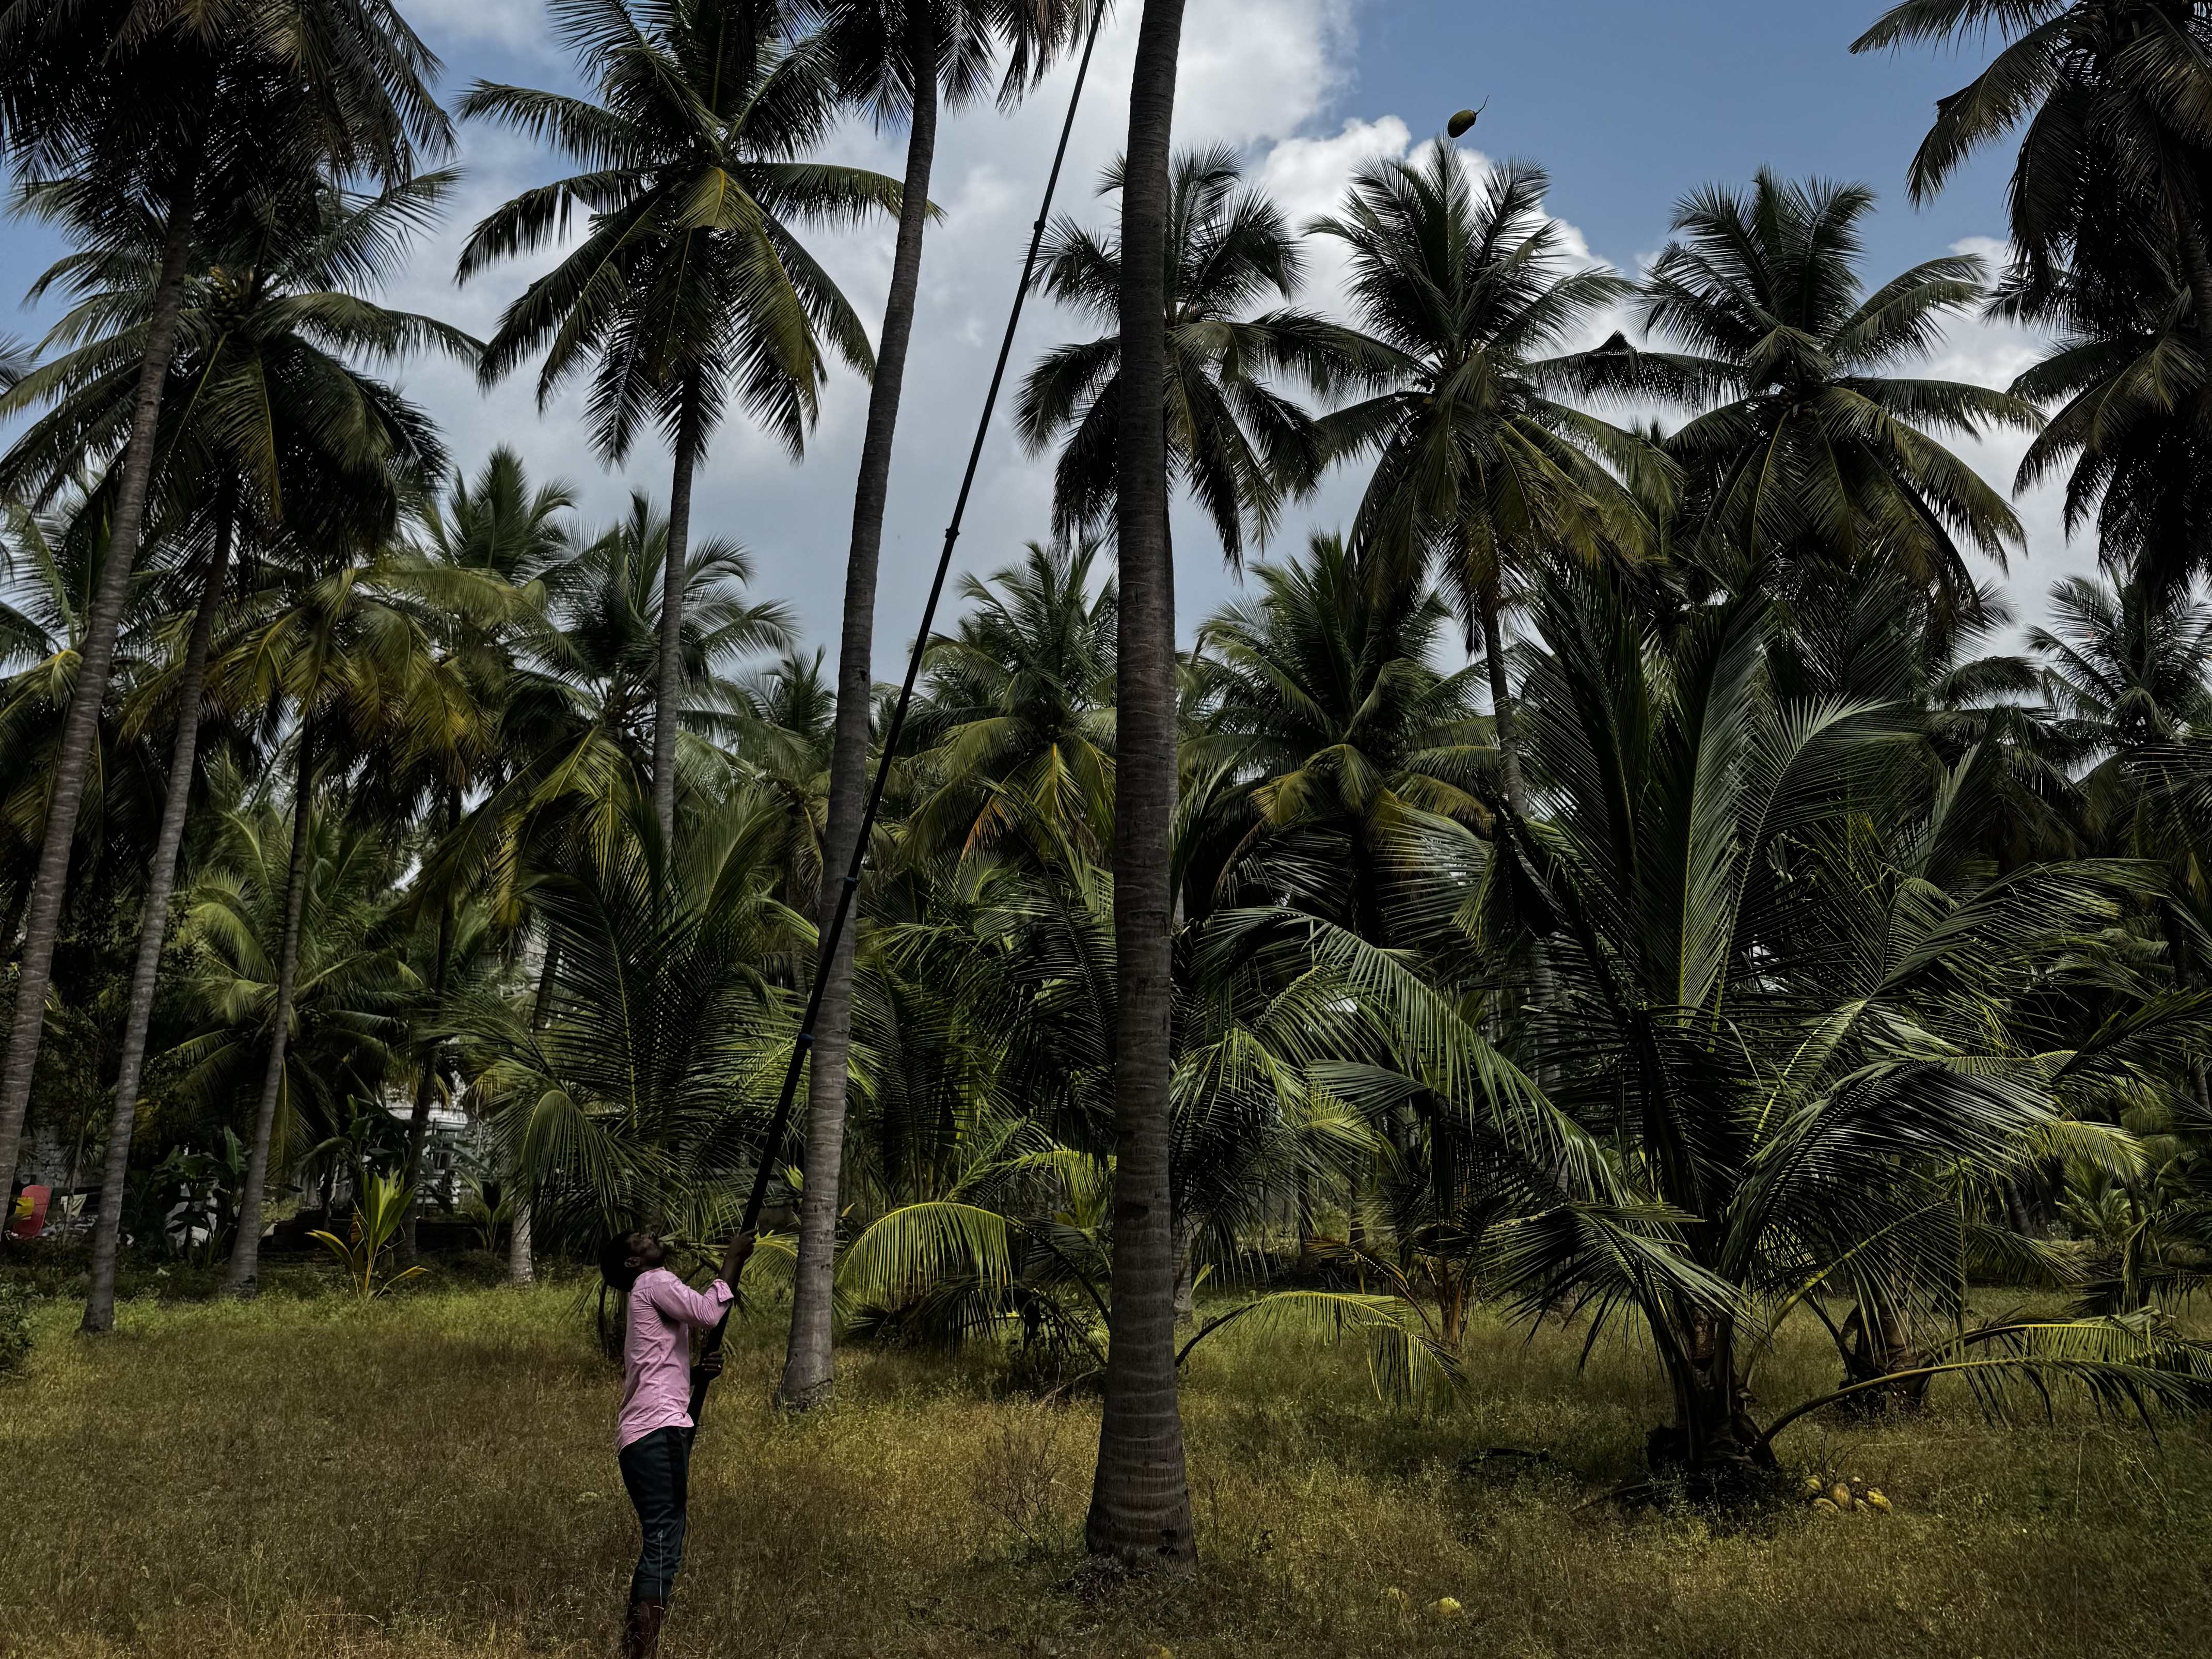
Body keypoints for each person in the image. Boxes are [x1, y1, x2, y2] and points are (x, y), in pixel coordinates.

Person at [597, 1227, 754, 1658]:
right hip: (658, 1431)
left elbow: (655, 1365)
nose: (650, 1234)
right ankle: (640, 1652)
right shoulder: (654, 1280)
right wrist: (731, 1260)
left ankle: (633, 1648)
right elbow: (707, 1313)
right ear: (634, 1262)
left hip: (640, 1435)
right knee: (664, 1544)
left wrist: (695, 1375)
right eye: (639, 1239)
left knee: (659, 1539)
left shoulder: (642, 1294)